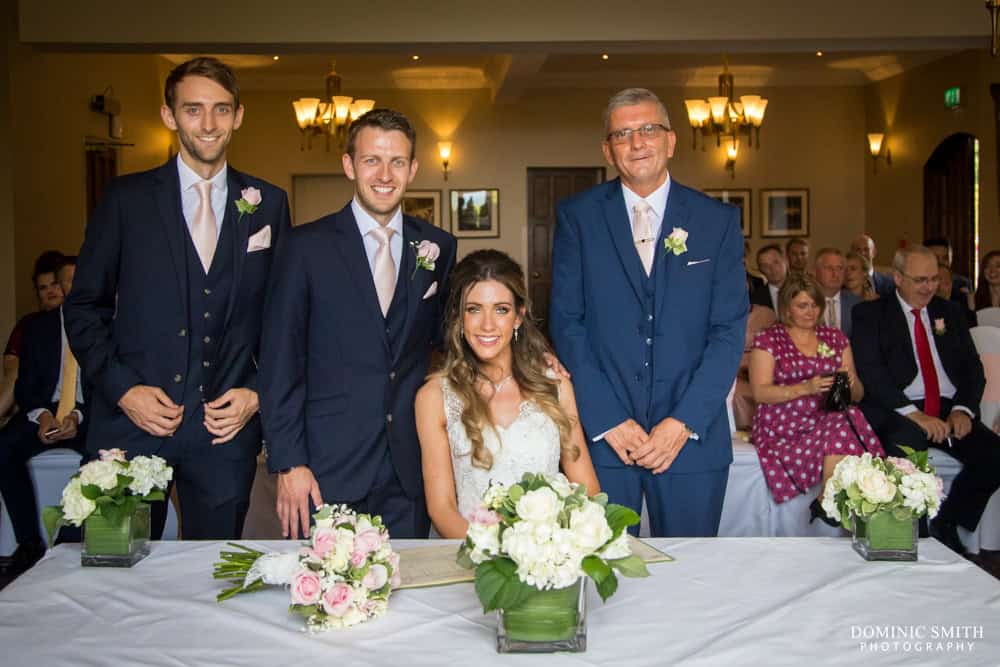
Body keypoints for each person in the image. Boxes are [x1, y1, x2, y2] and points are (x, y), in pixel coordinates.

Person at [64, 57, 291, 540]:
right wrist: (124, 390)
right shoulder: (126, 199)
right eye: (193, 110)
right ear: (169, 116)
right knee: (111, 577)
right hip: (130, 427)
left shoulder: (267, 203)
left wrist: (256, 392)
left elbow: (284, 319)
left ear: (238, 116)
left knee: (210, 582)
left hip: (223, 435)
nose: (208, 125)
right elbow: (84, 307)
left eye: (221, 110)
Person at [549, 88, 746, 537]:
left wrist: (683, 423)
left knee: (690, 578)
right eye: (623, 134)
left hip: (692, 440)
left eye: (648, 130)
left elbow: (728, 331)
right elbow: (567, 322)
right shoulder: (577, 217)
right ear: (607, 149)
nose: (637, 143)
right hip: (606, 441)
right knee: (604, 580)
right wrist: (607, 419)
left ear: (671, 141)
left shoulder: (716, 221)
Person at [260, 108, 457, 540]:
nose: (385, 174)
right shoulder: (303, 247)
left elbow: (451, 340)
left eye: (397, 162)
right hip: (327, 469)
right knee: (333, 601)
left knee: (409, 594)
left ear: (413, 169)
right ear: (349, 165)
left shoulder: (438, 246)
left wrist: (532, 362)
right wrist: (289, 462)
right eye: (372, 160)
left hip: (408, 467)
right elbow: (280, 362)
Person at [415, 250, 599, 537]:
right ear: (458, 317)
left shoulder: (555, 385)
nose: (487, 324)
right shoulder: (434, 397)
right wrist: (496, 557)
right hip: (472, 558)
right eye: (474, 309)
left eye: (501, 309)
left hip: (548, 558)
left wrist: (555, 551)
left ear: (518, 317)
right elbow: (442, 509)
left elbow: (586, 490)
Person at [852, 245, 1000, 555]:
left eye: (933, 279)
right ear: (898, 278)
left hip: (947, 406)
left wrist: (963, 410)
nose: (928, 287)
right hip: (898, 406)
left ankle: (946, 524)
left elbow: (973, 371)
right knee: (907, 448)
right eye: (920, 280)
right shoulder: (870, 314)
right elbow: (872, 374)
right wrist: (914, 415)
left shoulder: (950, 312)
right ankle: (915, 538)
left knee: (994, 455)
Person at [749, 273, 883, 522]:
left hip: (828, 415)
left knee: (847, 415)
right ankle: (834, 500)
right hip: (782, 420)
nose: (810, 312)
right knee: (844, 422)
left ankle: (826, 498)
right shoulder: (769, 339)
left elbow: (858, 395)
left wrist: (851, 384)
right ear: (787, 306)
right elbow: (760, 392)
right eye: (802, 305)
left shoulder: (835, 337)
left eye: (815, 305)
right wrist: (805, 388)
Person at [0, 256, 85, 576]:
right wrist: (43, 415)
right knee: (4, 447)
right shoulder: (37, 328)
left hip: (87, 415)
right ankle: (28, 543)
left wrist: (76, 414)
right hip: (44, 411)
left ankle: (68, 543)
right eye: (67, 281)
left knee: (105, 450)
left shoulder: (106, 324)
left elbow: (108, 387)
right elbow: (25, 386)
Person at [1, 251, 66, 425]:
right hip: (33, 396)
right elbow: (11, 368)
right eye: (42, 288)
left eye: (54, 284)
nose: (50, 291)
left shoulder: (86, 323)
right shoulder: (30, 324)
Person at [814, 247, 860, 337]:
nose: (835, 274)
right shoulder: (806, 303)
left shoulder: (857, 303)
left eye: (839, 268)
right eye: (829, 268)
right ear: (816, 271)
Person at [924, 237, 973, 304]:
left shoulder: (963, 283)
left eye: (945, 258)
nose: (940, 262)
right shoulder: (916, 282)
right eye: (935, 257)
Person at [754, 244, 787, 312]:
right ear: (760, 270)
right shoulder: (756, 298)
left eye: (776, 262)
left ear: (786, 261)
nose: (772, 269)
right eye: (765, 266)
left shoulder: (803, 290)